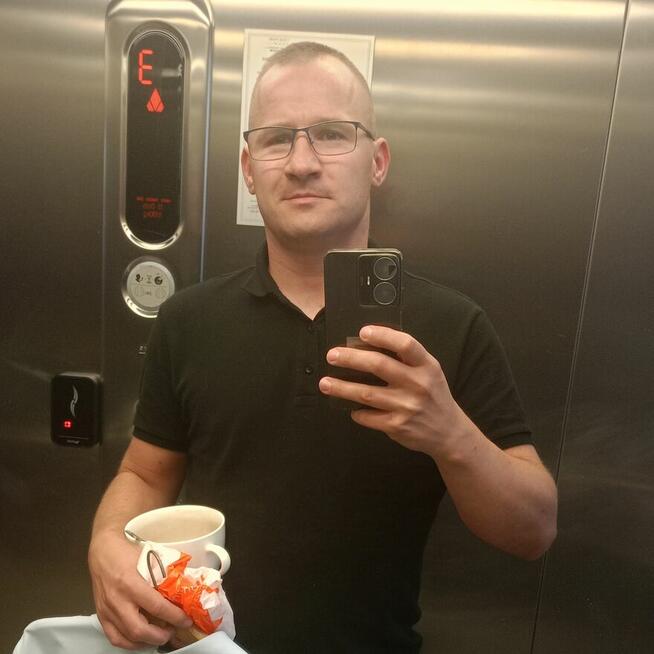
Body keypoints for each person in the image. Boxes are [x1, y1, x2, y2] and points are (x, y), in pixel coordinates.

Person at [88, 42, 557, 653]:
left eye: (332, 134)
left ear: (377, 161)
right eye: (277, 139)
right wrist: (105, 541)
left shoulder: (453, 326)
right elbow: (144, 473)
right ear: (248, 168)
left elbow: (533, 531)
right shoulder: (188, 320)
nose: (302, 163)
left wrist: (450, 435)